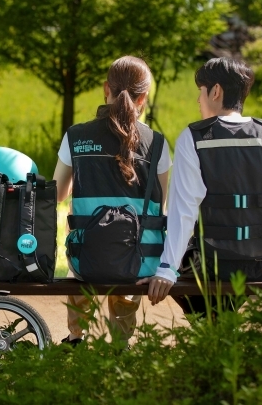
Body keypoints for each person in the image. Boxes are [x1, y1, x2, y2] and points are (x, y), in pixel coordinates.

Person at [137, 57, 262, 313]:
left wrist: (167, 268)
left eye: (201, 92)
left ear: (216, 91)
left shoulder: (194, 138)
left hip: (215, 265)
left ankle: (215, 330)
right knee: (213, 300)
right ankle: (221, 327)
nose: (198, 100)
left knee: (175, 269)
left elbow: (183, 212)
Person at [53, 55, 172, 344]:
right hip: (139, 262)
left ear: (106, 88)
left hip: (86, 260)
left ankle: (76, 336)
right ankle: (120, 344)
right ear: (143, 97)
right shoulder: (156, 142)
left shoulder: (76, 136)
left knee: (85, 255)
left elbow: (56, 194)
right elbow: (163, 201)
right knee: (127, 264)